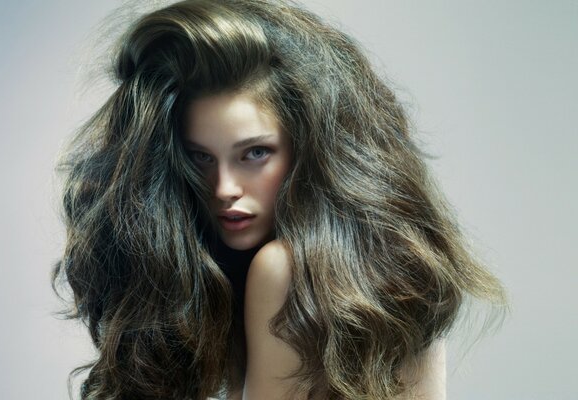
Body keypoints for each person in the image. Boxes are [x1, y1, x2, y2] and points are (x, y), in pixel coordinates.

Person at [53, 0, 506, 399]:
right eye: (200, 158)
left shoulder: (281, 270)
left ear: (308, 148)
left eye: (255, 153)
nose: (224, 187)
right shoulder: (396, 261)